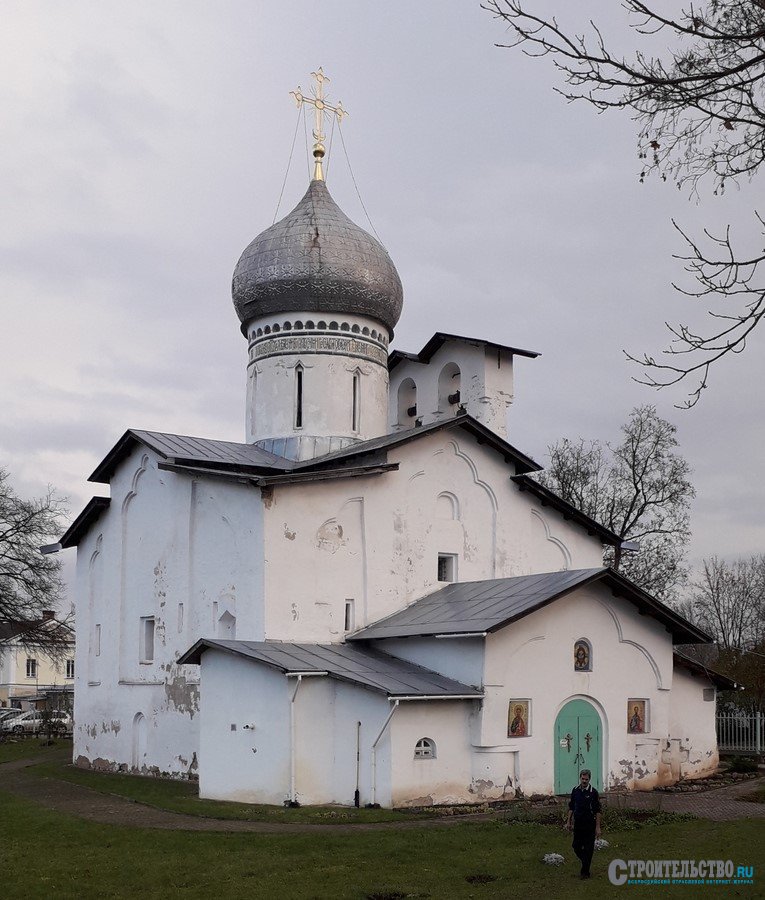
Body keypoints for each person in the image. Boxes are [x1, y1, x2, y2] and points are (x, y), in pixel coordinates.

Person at [565, 768, 602, 879]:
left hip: (589, 824)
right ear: (580, 778)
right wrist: (568, 822)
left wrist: (598, 827)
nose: (584, 781)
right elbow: (571, 807)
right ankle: (585, 862)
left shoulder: (593, 792)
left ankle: (585, 872)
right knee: (576, 846)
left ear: (589, 779)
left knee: (588, 848)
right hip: (578, 824)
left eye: (586, 779)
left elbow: (598, 810)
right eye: (583, 778)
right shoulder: (575, 790)